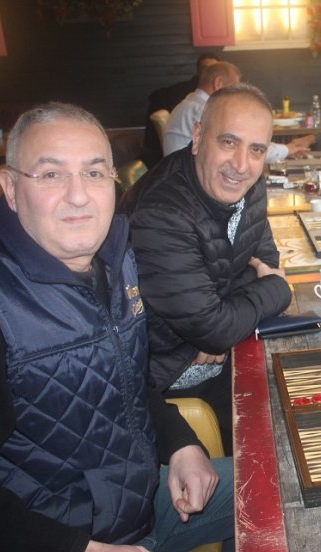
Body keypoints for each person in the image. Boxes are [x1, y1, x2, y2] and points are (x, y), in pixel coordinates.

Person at [0, 102, 234, 552]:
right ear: (11, 188)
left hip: (139, 503)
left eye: (94, 172)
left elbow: (125, 381)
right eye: (51, 175)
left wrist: (180, 444)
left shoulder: (115, 256)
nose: (79, 196)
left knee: (286, 480)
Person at [121, 84, 293, 454]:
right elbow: (218, 325)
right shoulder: (162, 213)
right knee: (282, 425)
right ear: (198, 137)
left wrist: (223, 322)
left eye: (256, 150)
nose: (241, 165)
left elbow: (265, 259)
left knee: (308, 387)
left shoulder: (248, 184)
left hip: (214, 344)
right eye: (229, 142)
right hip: (168, 372)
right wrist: (278, 290)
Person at [163, 61, 309, 163]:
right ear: (218, 83)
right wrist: (288, 149)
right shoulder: (205, 109)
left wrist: (286, 149)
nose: (237, 96)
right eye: (234, 88)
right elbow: (248, 148)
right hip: (189, 185)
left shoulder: (190, 103)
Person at [142, 52, 219, 166]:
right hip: (184, 161)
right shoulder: (192, 99)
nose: (209, 73)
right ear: (199, 71)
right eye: (206, 69)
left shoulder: (198, 98)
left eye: (213, 69)